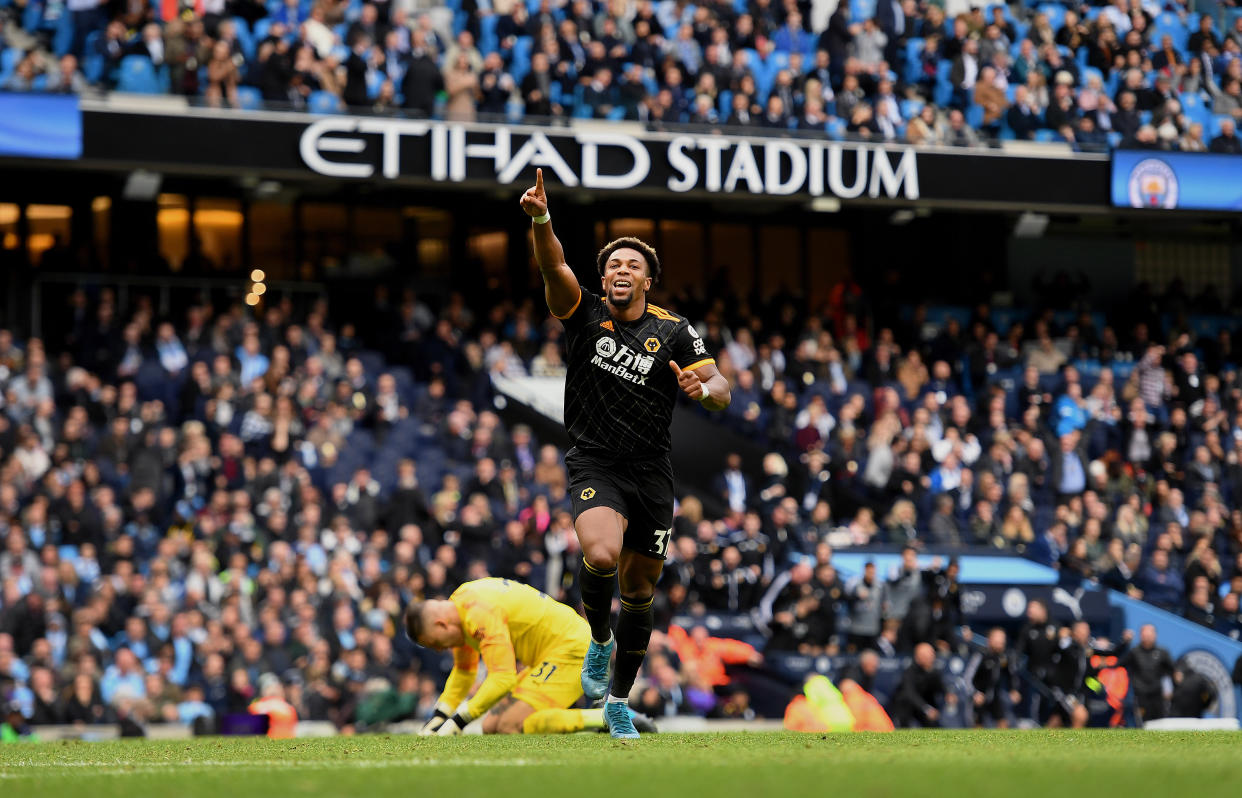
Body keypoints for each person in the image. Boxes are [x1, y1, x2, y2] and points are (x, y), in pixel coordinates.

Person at [519, 168, 731, 738]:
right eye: (613, 263)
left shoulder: (676, 332)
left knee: (639, 590)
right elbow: (552, 266)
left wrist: (703, 391)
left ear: (647, 281)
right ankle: (599, 638)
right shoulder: (583, 312)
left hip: (651, 472)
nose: (619, 270)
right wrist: (542, 219)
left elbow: (722, 390)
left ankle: (617, 700)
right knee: (602, 555)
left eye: (631, 265)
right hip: (595, 462)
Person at [404, 578, 654, 735]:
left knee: (509, 725)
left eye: (435, 643)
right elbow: (464, 671)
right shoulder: (460, 606)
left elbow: (503, 678)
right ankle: (604, 717)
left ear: (440, 625)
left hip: (572, 649)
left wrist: (459, 720)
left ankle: (612, 716)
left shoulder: (478, 613)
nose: (439, 650)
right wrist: (438, 717)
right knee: (492, 727)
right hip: (549, 656)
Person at [1118, 624, 1174, 723]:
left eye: (1150, 634)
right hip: (1140, 695)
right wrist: (1124, 642)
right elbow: (1120, 663)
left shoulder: (1162, 652)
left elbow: (1172, 672)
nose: (1147, 637)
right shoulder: (1134, 652)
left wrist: (1169, 689)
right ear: (1141, 636)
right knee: (1142, 723)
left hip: (1157, 695)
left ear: (1155, 635)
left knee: (1159, 722)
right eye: (1145, 635)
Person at [966, 627, 1020, 728]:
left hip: (995, 697)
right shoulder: (980, 655)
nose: (1000, 643)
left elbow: (1011, 675)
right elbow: (967, 678)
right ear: (989, 640)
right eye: (997, 639)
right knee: (977, 728)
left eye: (1002, 640)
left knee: (1003, 724)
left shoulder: (1004, 657)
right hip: (979, 697)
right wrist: (975, 694)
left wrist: (1014, 690)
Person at [891, 642, 947, 727]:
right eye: (927, 656)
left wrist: (947, 694)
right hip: (909, 707)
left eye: (932, 655)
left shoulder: (934, 672)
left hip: (924, 705)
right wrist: (926, 709)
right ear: (918, 657)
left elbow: (941, 687)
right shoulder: (909, 672)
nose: (931, 658)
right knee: (904, 702)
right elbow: (910, 694)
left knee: (934, 724)